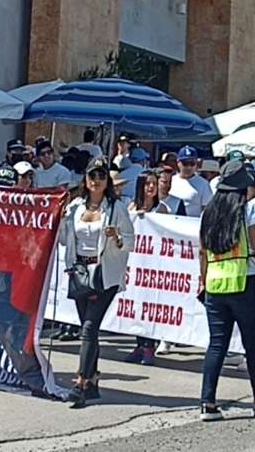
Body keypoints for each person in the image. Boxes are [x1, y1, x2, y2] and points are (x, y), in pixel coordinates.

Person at [198, 161, 255, 422]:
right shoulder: (250, 210)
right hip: (247, 281)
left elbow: (202, 252)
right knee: (253, 345)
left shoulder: (208, 213)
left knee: (216, 345)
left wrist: (204, 279)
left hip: (215, 285)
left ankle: (207, 403)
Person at [59, 159, 133, 408]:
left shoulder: (116, 207)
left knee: (89, 328)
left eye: (101, 175)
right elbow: (63, 240)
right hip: (79, 270)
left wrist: (118, 237)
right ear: (86, 180)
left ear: (106, 181)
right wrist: (60, 220)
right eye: (92, 175)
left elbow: (132, 241)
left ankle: (80, 382)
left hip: (105, 273)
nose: (96, 180)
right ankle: (93, 380)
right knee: (87, 328)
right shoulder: (75, 207)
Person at [126, 171, 162, 366]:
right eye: (147, 183)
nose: (151, 187)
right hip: (137, 266)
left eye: (154, 184)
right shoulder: (131, 207)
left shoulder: (161, 209)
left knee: (151, 306)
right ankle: (139, 344)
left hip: (154, 267)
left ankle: (150, 346)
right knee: (136, 306)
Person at [167, 146, 213, 216]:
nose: (189, 167)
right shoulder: (171, 180)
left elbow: (207, 209)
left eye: (192, 163)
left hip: (191, 224)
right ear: (178, 163)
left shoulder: (203, 184)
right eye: (185, 163)